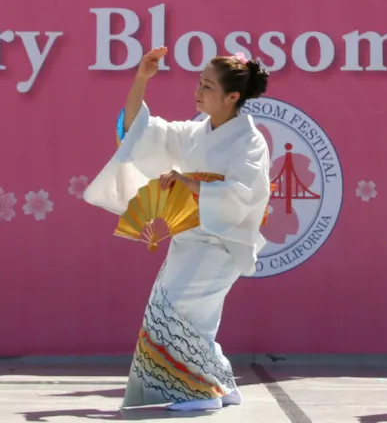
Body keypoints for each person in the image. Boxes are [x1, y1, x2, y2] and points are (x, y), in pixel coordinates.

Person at [83, 47, 271, 412]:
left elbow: (244, 194)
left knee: (178, 310)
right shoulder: (193, 132)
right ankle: (220, 382)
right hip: (188, 239)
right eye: (198, 83)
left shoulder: (250, 142)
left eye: (207, 86)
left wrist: (191, 182)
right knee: (171, 310)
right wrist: (141, 80)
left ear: (233, 97)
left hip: (222, 241)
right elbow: (141, 131)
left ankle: (198, 392)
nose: (198, 92)